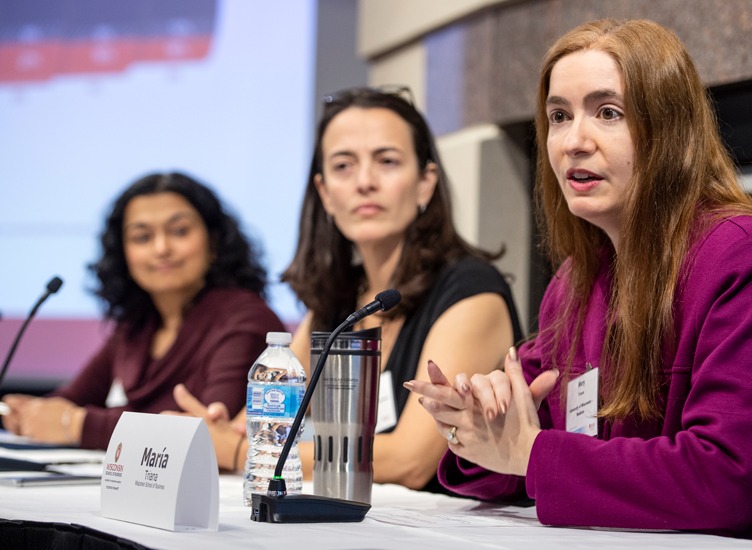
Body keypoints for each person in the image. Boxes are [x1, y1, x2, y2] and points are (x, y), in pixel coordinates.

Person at [407, 18, 752, 548]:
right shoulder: (576, 281)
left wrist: (528, 452)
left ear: (668, 130)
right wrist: (483, 427)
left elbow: (722, 478)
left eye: (607, 113)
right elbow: (527, 445)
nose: (573, 142)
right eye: (559, 116)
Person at [173, 86, 523, 492]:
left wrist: (240, 452)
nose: (364, 182)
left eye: (387, 162)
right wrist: (215, 431)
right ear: (324, 193)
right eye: (343, 166)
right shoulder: (339, 296)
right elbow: (256, 422)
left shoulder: (472, 291)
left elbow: (411, 461)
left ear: (426, 182)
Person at [1, 172, 285, 450]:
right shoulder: (138, 323)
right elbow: (71, 399)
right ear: (123, 254)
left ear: (214, 242)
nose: (161, 248)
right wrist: (29, 413)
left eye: (179, 231)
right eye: (142, 237)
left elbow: (206, 430)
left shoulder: (246, 319)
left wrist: (74, 425)